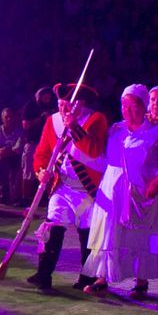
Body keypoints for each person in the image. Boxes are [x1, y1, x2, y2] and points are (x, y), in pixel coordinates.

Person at [83, 84, 158, 297]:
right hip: (113, 186)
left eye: (132, 106)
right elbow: (101, 156)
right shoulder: (116, 130)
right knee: (110, 231)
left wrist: (157, 181)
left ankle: (141, 281)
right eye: (123, 105)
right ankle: (103, 276)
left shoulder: (156, 133)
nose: (127, 110)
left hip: (141, 190)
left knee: (139, 234)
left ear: (143, 107)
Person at [26, 83, 108, 293]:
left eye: (69, 104)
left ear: (80, 103)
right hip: (61, 185)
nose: (64, 109)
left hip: (87, 187)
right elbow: (42, 154)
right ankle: (43, 275)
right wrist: (41, 171)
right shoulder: (52, 121)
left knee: (87, 233)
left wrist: (73, 127)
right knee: (52, 226)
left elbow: (94, 150)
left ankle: (88, 276)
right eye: (61, 104)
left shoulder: (96, 119)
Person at [0, 107, 25, 205]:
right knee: (1, 161)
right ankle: (5, 195)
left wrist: (7, 151)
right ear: (2, 118)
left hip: (13, 157)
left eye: (11, 117)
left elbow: (18, 148)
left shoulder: (20, 131)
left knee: (2, 161)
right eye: (6, 117)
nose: (9, 119)